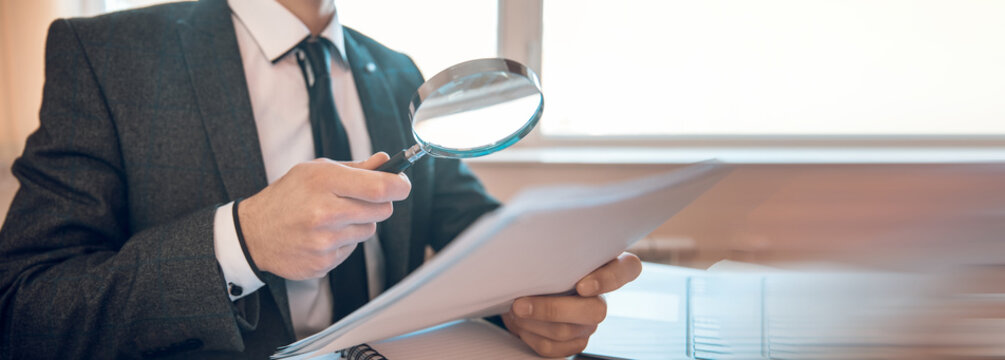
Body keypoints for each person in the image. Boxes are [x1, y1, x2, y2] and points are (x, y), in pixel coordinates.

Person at [0, 0, 642, 358]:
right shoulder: (107, 53)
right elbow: (26, 309)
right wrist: (240, 242)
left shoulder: (396, 72)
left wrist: (536, 301)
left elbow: (470, 232)